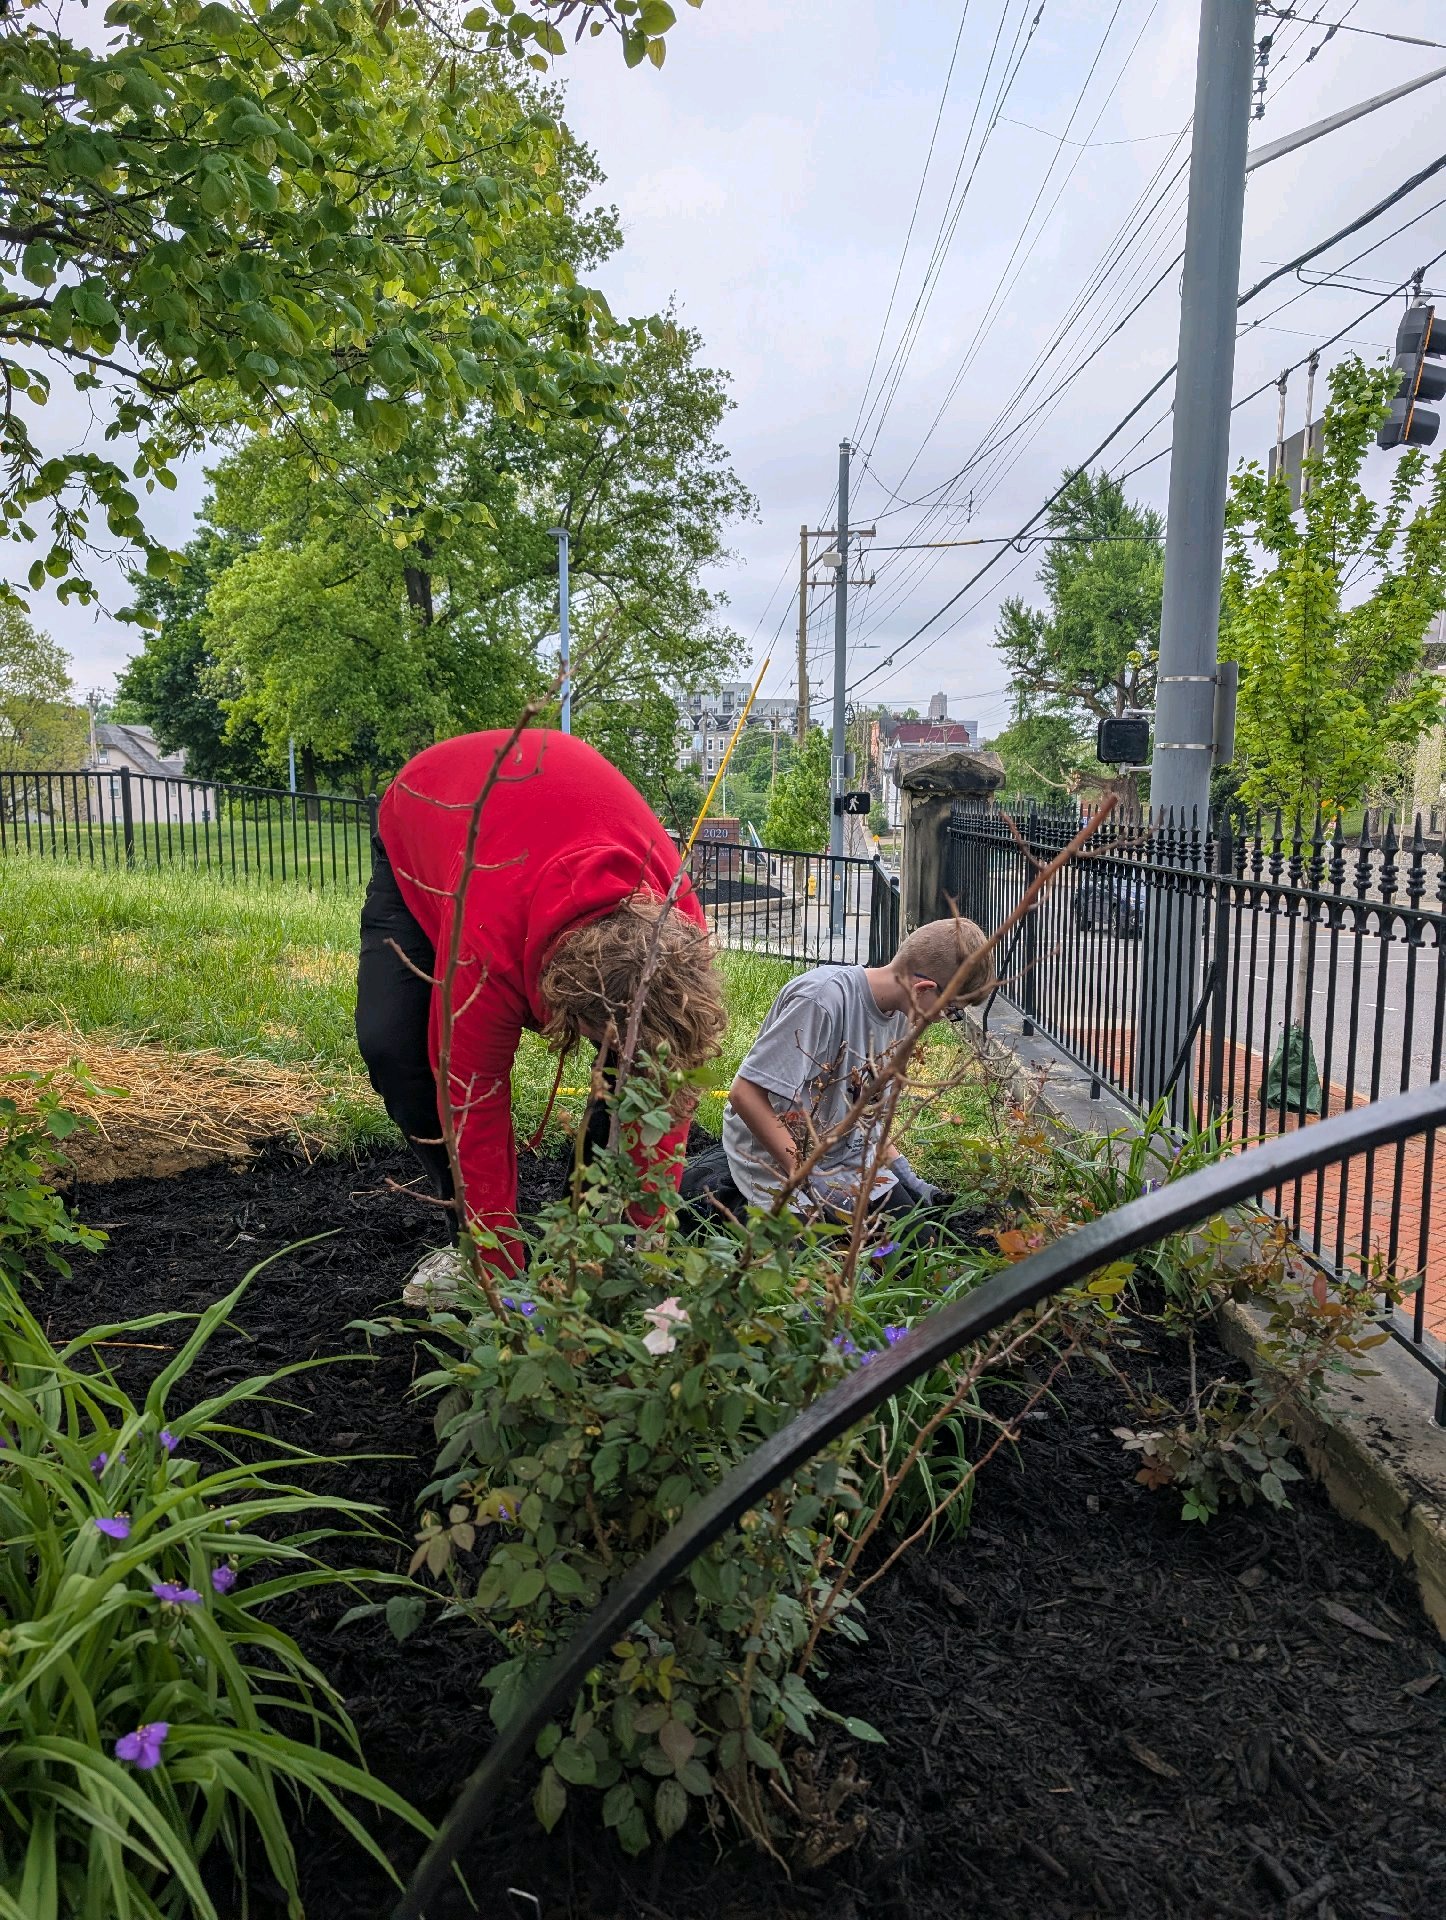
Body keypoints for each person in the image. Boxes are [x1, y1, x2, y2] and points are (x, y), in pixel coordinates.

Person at [355, 728, 726, 1301]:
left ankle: (595, 1239)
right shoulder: (488, 950)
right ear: (557, 1005)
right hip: (429, 810)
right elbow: (474, 1107)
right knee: (396, 1049)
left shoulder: (677, 933)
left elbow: (668, 1098)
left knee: (638, 1076)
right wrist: (503, 1289)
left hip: (548, 812)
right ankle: (466, 1243)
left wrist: (644, 1252)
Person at [703, 918, 995, 1224]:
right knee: (820, 1252)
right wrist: (808, 1177)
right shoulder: (820, 1000)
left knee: (918, 1242)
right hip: (773, 1158)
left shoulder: (901, 1014)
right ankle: (734, 1202)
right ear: (923, 989)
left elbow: (863, 1111)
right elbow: (744, 1094)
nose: (944, 1019)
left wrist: (907, 1177)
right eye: (951, 1010)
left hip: (846, 1157)